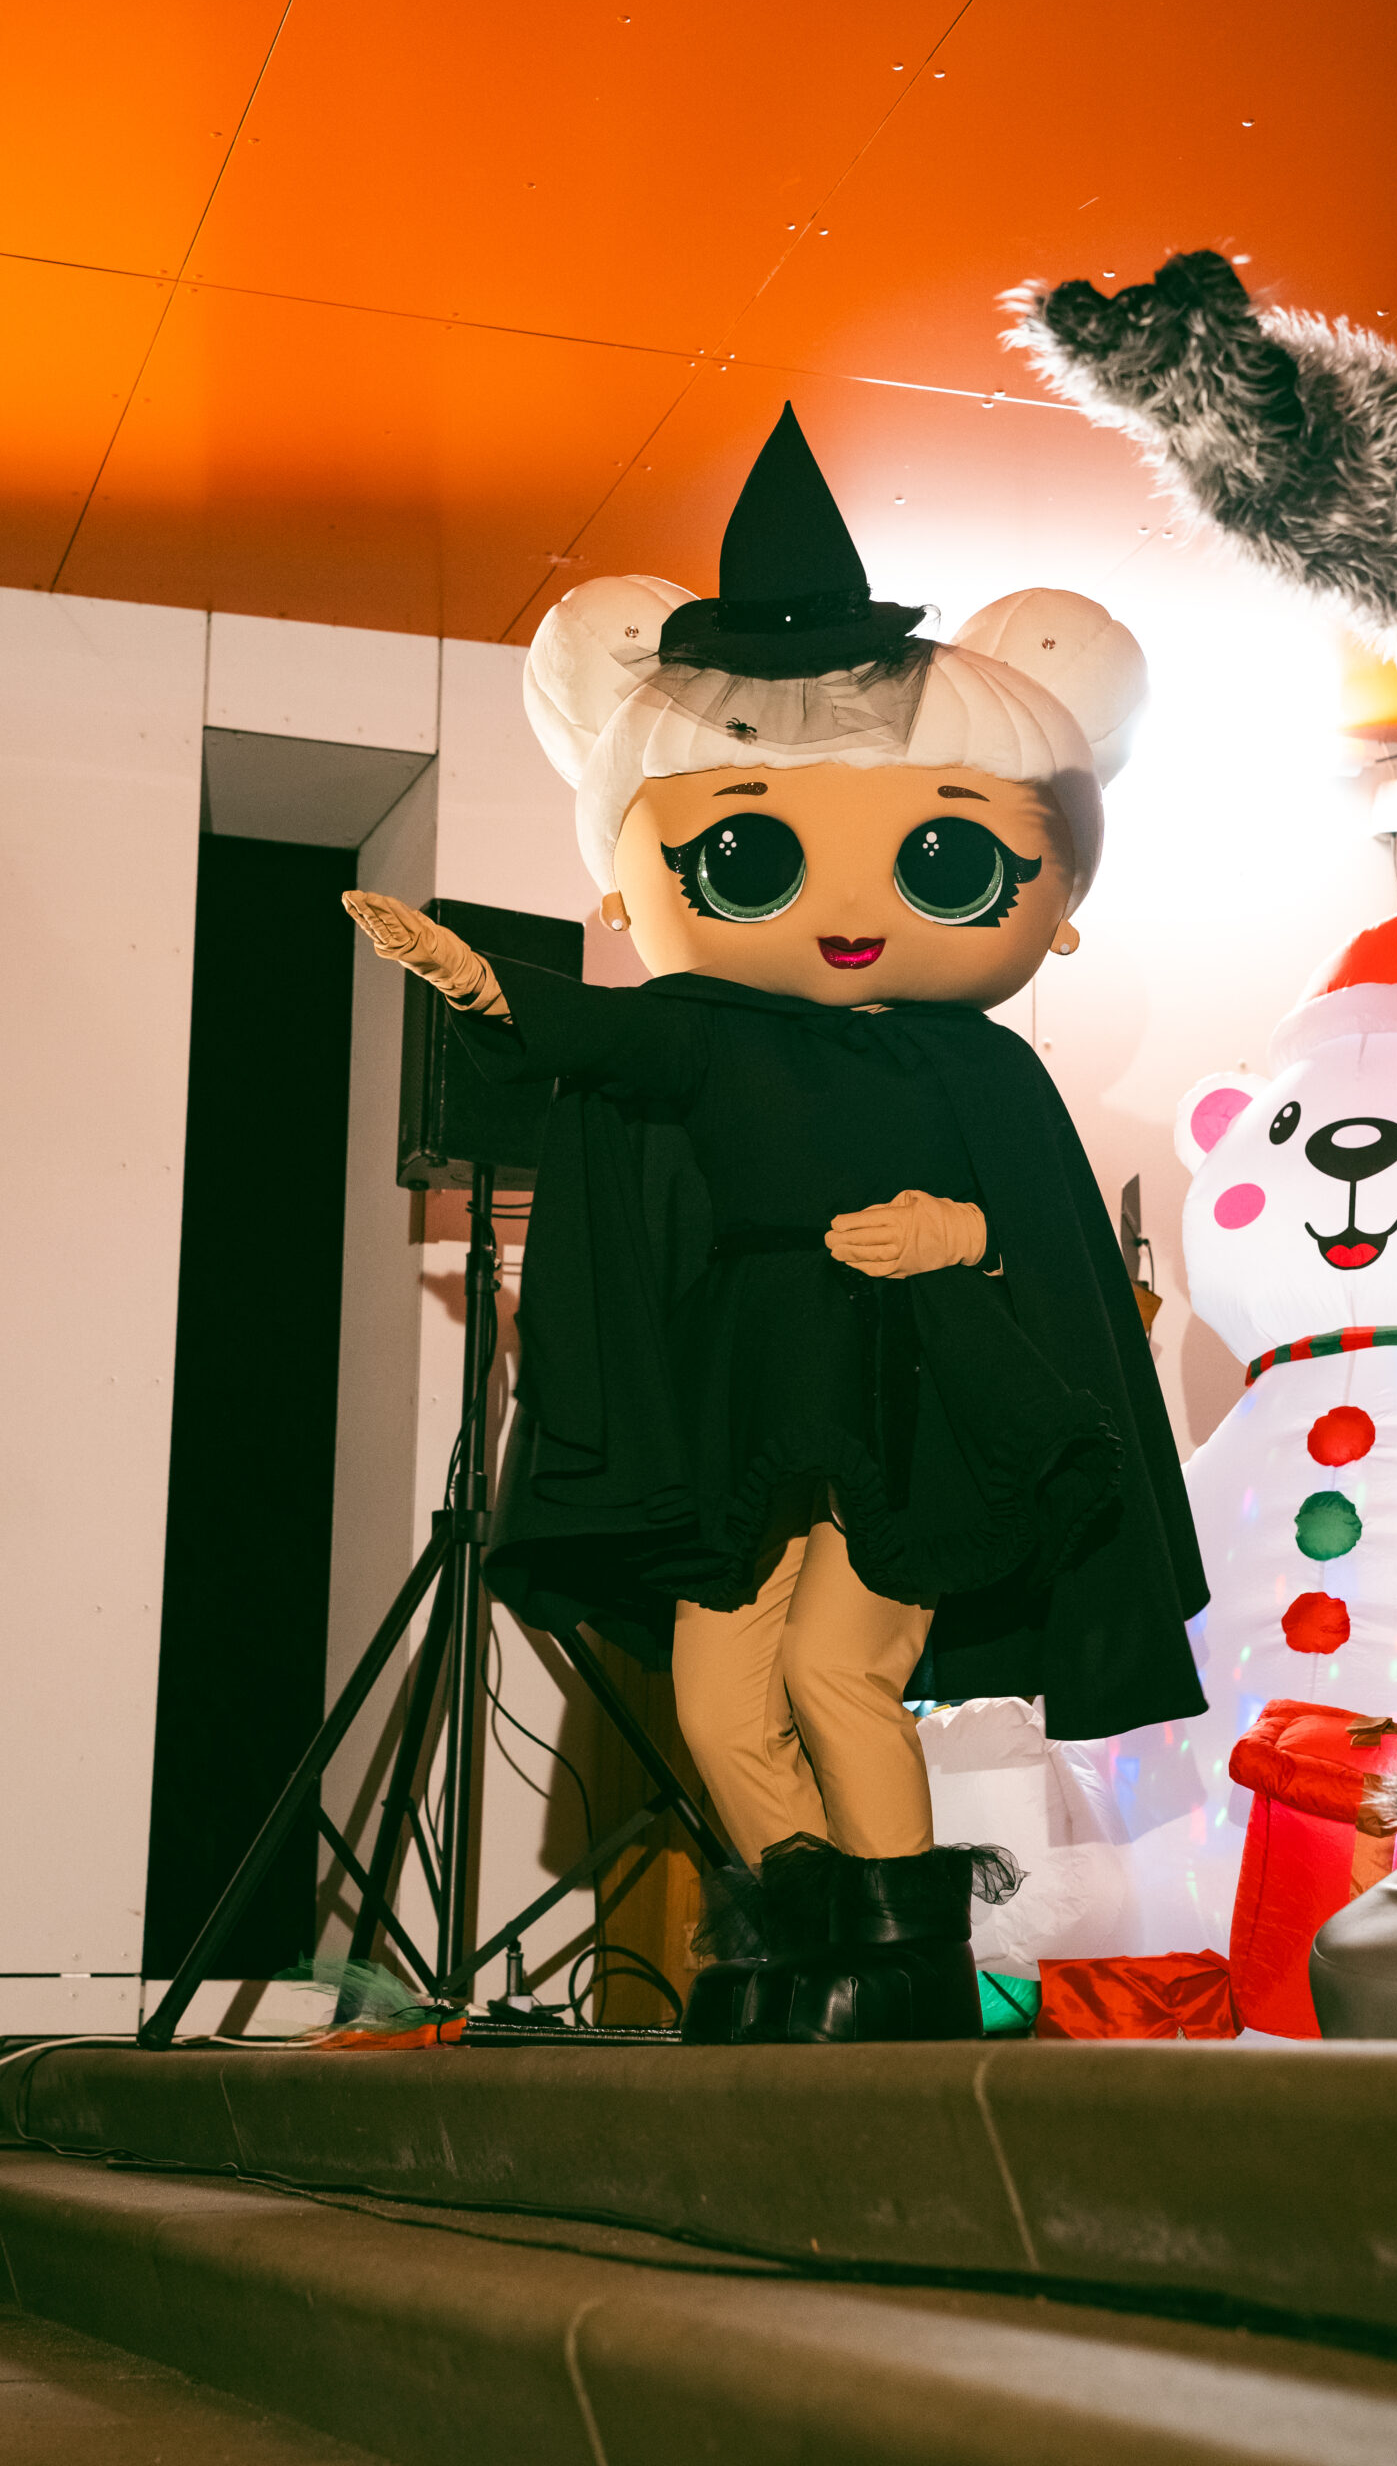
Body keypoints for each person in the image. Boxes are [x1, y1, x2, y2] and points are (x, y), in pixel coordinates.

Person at [347, 405, 1206, 2042]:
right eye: (750, 852)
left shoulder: (984, 1075)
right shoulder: (709, 1034)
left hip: (917, 1401)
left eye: (943, 856)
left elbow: (1051, 1253)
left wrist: (965, 1239)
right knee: (718, 1697)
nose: (856, 907)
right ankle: (814, 1942)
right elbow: (601, 1034)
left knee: (836, 1673)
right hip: (750, 1399)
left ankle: (908, 1976)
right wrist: (475, 979)